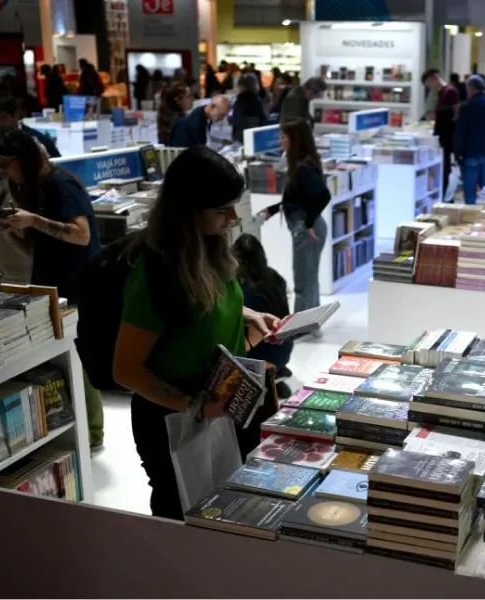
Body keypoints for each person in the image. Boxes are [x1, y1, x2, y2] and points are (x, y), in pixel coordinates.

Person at [112, 146, 280, 520]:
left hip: (222, 402)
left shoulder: (209, 248)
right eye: (222, 210)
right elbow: (125, 370)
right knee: (182, 514)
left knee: (229, 505)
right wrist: (195, 406)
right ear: (187, 211)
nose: (234, 218)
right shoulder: (155, 273)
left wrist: (249, 316)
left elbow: (207, 305)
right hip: (174, 418)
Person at [0, 127, 105, 451]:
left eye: (3, 164)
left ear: (21, 159)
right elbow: (44, 242)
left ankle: (92, 434)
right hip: (51, 282)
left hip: (75, 285)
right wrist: (14, 230)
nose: (0, 172)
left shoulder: (60, 185)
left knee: (77, 357)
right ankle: (77, 430)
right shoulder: (32, 188)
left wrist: (33, 220)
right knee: (62, 357)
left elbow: (82, 235)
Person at [264, 118, 330, 319]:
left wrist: (309, 223)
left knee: (303, 281)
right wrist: (274, 209)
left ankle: (301, 326)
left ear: (294, 139)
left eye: (283, 137)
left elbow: (323, 195)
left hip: (306, 229)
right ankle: (311, 321)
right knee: (308, 279)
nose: (280, 141)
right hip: (306, 227)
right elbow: (296, 197)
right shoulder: (302, 164)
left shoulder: (303, 168)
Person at [232, 233, 294, 399]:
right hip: (284, 351)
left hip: (262, 355)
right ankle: (276, 376)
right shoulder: (275, 278)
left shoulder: (244, 290)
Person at [0, 96, 60, 196]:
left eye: (3, 117)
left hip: (34, 198)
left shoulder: (38, 141)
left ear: (16, 115)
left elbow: (56, 172)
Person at [454, 75, 485, 205]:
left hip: (470, 153)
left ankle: (470, 217)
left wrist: (457, 154)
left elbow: (460, 132)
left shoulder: (466, 107)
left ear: (470, 88)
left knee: (470, 191)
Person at [422, 69, 459, 198]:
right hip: (442, 137)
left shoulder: (449, 92)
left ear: (434, 78)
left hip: (446, 138)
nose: (429, 87)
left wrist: (436, 116)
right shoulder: (440, 93)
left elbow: (452, 114)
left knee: (445, 168)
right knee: (442, 168)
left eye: (429, 83)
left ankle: (444, 197)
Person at [231, 73, 266, 143]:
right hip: (256, 135)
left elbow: (236, 120)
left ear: (242, 86)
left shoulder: (240, 101)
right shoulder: (258, 101)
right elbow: (263, 119)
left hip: (241, 136)